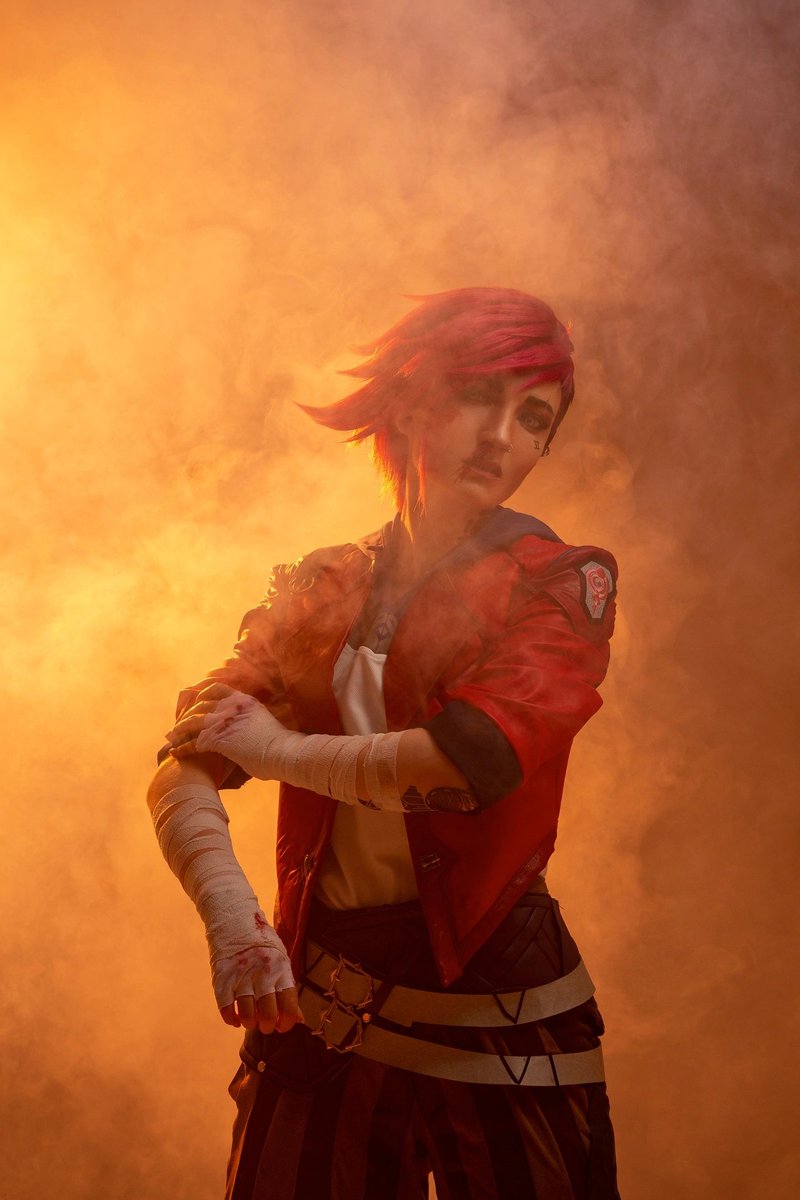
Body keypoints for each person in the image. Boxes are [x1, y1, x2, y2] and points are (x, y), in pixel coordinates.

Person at [149, 286, 621, 1199]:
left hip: (501, 999)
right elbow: (184, 764)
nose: (502, 437)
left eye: (533, 419)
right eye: (479, 395)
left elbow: (470, 763)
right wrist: (234, 923)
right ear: (410, 400)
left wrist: (275, 752)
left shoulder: (560, 582)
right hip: (321, 1004)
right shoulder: (325, 585)